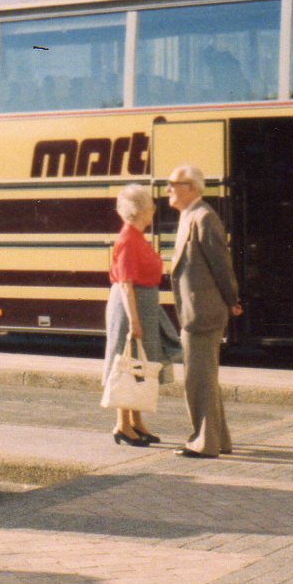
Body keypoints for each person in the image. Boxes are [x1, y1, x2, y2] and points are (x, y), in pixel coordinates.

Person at [167, 164, 243, 458]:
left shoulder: (204, 217)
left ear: (192, 188)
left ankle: (204, 442)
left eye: (174, 183)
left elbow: (221, 264)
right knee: (204, 378)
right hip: (195, 310)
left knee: (198, 379)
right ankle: (217, 439)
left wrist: (232, 299)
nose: (168, 189)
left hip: (203, 312)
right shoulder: (189, 216)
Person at [103, 184, 179, 446]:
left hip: (142, 305)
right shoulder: (127, 239)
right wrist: (134, 321)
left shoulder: (136, 237)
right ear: (138, 212)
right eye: (149, 207)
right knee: (127, 363)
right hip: (129, 307)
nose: (153, 211)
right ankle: (122, 425)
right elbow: (125, 283)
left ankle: (135, 421)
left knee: (139, 365)